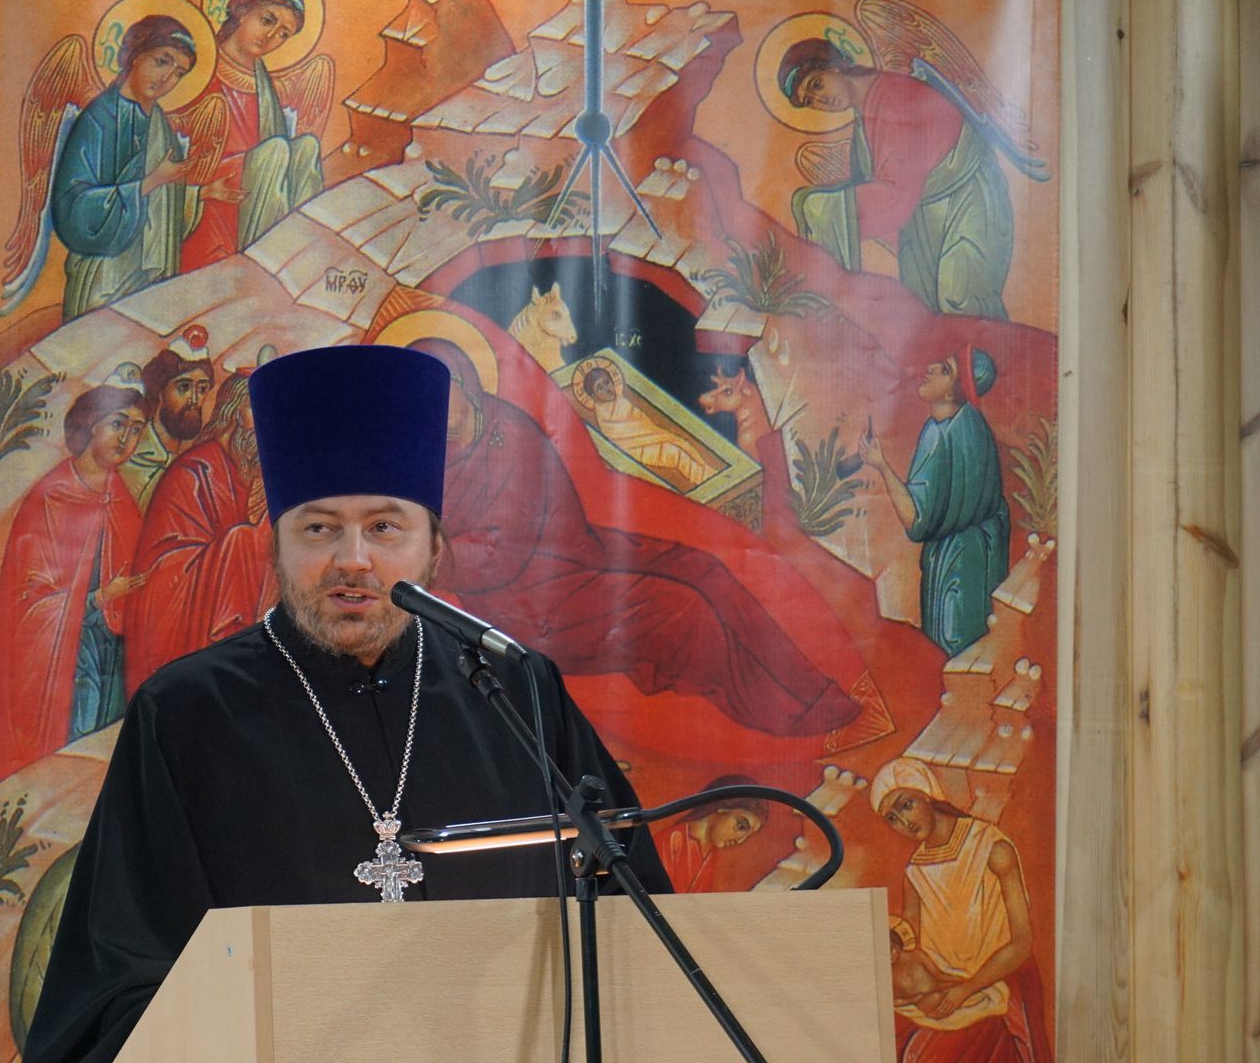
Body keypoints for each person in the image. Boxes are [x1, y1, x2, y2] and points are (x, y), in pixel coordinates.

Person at [23, 344, 670, 1063]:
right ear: (275, 545)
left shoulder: (518, 692)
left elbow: (638, 936)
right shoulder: (183, 716)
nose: (353, 559)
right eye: (319, 528)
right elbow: (119, 993)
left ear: (434, 547)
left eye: (385, 527)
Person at [410, 337, 859, 739]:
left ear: (467, 383)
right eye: (423, 400)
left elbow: (515, 536)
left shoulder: (510, 430)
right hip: (528, 608)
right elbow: (493, 556)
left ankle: (811, 691)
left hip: (573, 556)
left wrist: (430, 556)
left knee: (705, 569)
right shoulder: (423, 457)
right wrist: (423, 557)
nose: (435, 409)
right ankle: (782, 712)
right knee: (689, 609)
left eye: (442, 392)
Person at [781, 38, 1018, 319]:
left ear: (834, 67)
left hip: (968, 201)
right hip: (925, 219)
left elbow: (895, 198)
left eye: (817, 85)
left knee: (963, 304)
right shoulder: (866, 115)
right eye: (810, 102)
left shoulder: (892, 98)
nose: (820, 101)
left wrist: (821, 208)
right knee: (928, 318)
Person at [0, 383, 150, 785]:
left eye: (136, 430)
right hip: (64, 655)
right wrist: (98, 598)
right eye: (118, 424)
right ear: (91, 425)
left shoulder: (122, 500)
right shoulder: (51, 496)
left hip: (112, 648)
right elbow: (28, 601)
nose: (126, 438)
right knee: (74, 745)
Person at [49, 15, 238, 320]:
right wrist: (148, 183)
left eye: (178, 73)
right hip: (105, 272)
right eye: (161, 61)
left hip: (145, 271)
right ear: (135, 56)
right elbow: (73, 208)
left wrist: (200, 194)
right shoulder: (99, 118)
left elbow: (164, 201)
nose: (167, 79)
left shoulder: (159, 124)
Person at [871, 758, 1048, 1061]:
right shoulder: (915, 872)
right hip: (939, 987)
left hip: (993, 984)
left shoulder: (992, 849)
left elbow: (1021, 945)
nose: (905, 822)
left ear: (926, 792)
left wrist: (965, 990)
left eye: (906, 805)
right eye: (892, 818)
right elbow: (911, 945)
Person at [121, 368, 276, 692]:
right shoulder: (193, 472)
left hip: (236, 616)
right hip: (178, 617)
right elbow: (161, 571)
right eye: (256, 408)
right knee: (241, 541)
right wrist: (239, 546)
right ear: (233, 412)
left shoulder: (254, 471)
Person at [860, 346, 1010, 657]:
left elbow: (916, 520)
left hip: (956, 567)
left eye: (944, 369)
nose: (929, 368)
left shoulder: (940, 436)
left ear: (954, 391)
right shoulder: (972, 425)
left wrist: (881, 464)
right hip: (979, 559)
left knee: (951, 652)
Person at [178, 0, 331, 272]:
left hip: (257, 184)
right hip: (211, 187)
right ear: (242, 10)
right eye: (267, 20)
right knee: (275, 151)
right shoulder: (198, 69)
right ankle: (265, 263)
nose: (271, 36)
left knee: (307, 147)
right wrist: (197, 190)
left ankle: (303, 258)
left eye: (284, 33)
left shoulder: (263, 83)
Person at [574, 357, 716, 489]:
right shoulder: (604, 415)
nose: (607, 389)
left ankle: (710, 474)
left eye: (607, 382)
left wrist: (655, 433)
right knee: (674, 452)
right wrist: (653, 435)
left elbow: (642, 420)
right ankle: (706, 481)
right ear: (593, 396)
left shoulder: (621, 401)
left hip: (651, 437)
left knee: (683, 444)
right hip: (637, 449)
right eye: (599, 388)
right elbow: (622, 436)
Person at [119, 327, 216, 511]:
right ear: (160, 390)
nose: (194, 400)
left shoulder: (200, 460)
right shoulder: (130, 455)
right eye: (184, 387)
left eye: (202, 389)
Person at [659, 774, 768, 893]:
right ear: (723, 807)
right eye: (740, 826)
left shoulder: (710, 854)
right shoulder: (672, 840)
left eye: (748, 835)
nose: (740, 840)